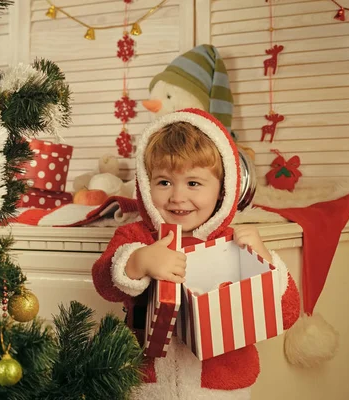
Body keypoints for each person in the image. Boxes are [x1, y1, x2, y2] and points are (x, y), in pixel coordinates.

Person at [92, 109, 300, 400]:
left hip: (220, 389)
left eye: (193, 183)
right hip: (148, 385)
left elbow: (287, 311)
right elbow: (103, 281)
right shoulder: (137, 236)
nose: (177, 197)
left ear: (222, 190)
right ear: (145, 183)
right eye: (164, 182)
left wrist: (264, 260)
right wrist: (138, 262)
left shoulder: (234, 242)